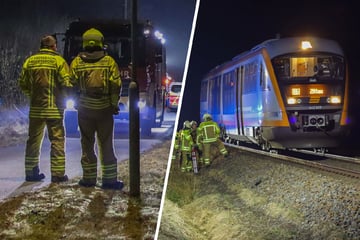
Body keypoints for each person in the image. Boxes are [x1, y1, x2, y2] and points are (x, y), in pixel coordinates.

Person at [69, 28, 123, 190]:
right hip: (104, 109)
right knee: (106, 143)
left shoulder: (77, 62)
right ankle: (109, 180)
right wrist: (113, 104)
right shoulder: (109, 62)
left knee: (87, 144)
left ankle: (88, 179)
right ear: (101, 42)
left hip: (85, 109)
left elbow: (70, 84)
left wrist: (78, 101)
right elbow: (116, 85)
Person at [18, 35, 72, 182]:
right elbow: (66, 83)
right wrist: (65, 97)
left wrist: (33, 95)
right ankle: (58, 174)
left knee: (33, 140)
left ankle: (31, 172)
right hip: (54, 109)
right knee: (57, 140)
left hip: (36, 109)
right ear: (53, 47)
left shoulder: (30, 61)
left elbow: (23, 83)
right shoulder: (58, 61)